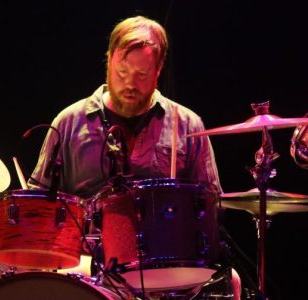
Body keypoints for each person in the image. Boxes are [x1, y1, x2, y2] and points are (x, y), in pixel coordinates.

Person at [28, 15, 241, 299]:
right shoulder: (69, 122)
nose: (130, 84)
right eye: (122, 71)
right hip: (88, 265)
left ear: (158, 70)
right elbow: (39, 205)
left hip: (166, 265)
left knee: (233, 281)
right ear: (109, 61)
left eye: (141, 75)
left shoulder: (187, 125)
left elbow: (213, 206)